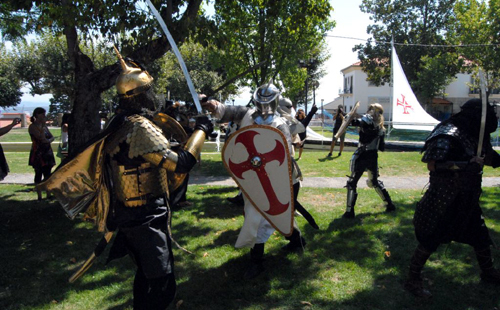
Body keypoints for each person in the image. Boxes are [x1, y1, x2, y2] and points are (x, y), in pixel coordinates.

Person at [39, 49, 212, 310]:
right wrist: (202, 130)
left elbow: (152, 158)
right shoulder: (138, 127)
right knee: (163, 285)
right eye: (150, 90)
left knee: (145, 275)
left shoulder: (120, 123)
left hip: (131, 213)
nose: (153, 95)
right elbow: (184, 164)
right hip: (144, 217)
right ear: (140, 95)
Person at [203, 83, 309, 280]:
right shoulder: (247, 114)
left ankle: (273, 252)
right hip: (255, 178)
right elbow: (226, 110)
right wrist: (211, 104)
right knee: (258, 218)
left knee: (273, 217)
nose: (263, 107)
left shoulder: (280, 124)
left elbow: (282, 154)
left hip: (282, 178)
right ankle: (274, 251)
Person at [404, 99, 500, 298]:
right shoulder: (447, 132)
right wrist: (465, 165)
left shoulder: (476, 134)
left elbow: (487, 156)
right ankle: (413, 279)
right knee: (430, 240)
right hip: (445, 198)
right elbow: (432, 165)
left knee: (480, 235)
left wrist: (491, 160)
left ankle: (488, 272)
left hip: (468, 197)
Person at [342, 103, 395, 219]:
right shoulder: (380, 128)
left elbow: (356, 123)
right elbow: (381, 147)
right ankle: (390, 205)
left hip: (362, 155)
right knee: (374, 182)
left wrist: (348, 119)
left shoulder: (367, 120)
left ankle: (349, 212)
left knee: (352, 183)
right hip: (373, 156)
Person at [28, 107, 56, 201]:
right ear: (37, 115)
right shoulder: (33, 127)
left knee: (48, 173)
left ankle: (48, 194)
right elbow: (41, 138)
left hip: (47, 151)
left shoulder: (45, 126)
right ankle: (39, 195)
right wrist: (46, 139)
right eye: (42, 114)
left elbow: (51, 137)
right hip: (38, 153)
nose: (44, 116)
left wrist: (48, 140)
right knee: (38, 173)